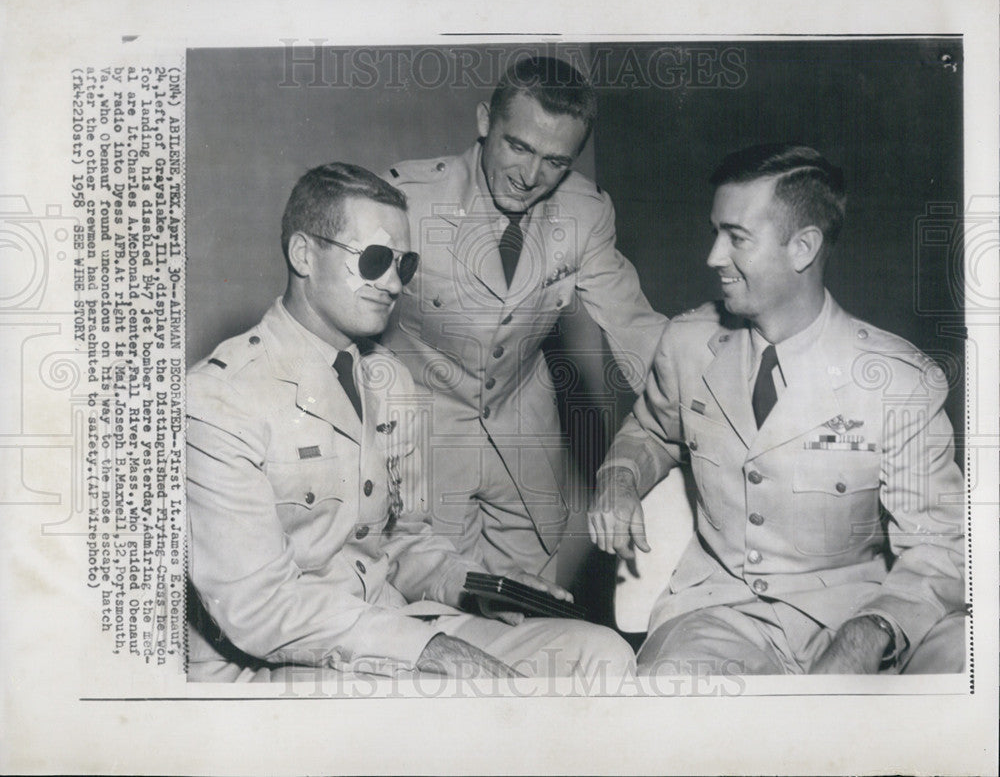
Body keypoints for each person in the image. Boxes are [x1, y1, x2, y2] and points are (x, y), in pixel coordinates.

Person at [186, 162, 634, 683]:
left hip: (390, 626)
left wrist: (483, 586)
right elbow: (260, 608)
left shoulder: (389, 382)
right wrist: (428, 650)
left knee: (599, 655)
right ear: (304, 255)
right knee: (463, 702)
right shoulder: (218, 399)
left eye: (406, 264)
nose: (395, 283)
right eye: (375, 260)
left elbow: (405, 542)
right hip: (278, 662)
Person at [588, 144, 965, 675]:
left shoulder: (898, 382)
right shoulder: (689, 343)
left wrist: (873, 630)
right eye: (715, 232)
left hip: (858, 608)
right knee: (671, 703)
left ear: (802, 248)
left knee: (963, 664)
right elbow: (651, 430)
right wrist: (620, 473)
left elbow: (942, 544)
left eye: (736, 238)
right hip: (720, 613)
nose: (714, 256)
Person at [381, 56, 667, 582]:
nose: (531, 176)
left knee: (530, 612)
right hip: (423, 442)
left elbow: (640, 332)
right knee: (437, 611)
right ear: (486, 122)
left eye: (556, 161)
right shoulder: (405, 203)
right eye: (519, 146)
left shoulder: (584, 212)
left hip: (526, 443)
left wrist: (714, 410)